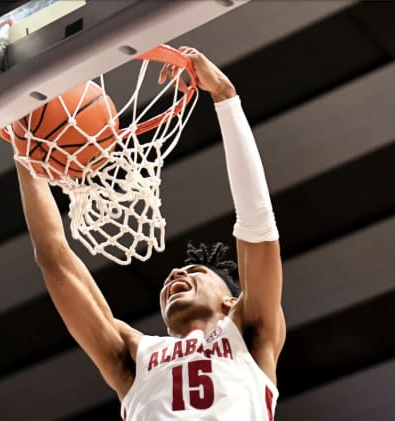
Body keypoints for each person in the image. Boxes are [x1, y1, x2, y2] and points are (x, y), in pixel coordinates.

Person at [16, 46, 285, 420]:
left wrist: (225, 95)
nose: (175, 273)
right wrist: (28, 153)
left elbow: (257, 224)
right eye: (184, 271)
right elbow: (53, 258)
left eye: (196, 273)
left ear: (230, 302)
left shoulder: (250, 334)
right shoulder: (133, 355)